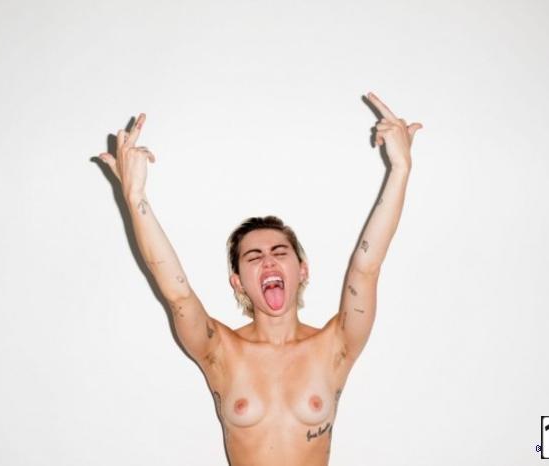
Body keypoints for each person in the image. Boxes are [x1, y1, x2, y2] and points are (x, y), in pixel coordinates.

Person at [97, 92, 421, 466]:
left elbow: (366, 268)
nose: (268, 262)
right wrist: (135, 196)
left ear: (302, 269)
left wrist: (400, 170)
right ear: (238, 281)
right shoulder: (220, 351)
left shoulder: (335, 345)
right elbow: (177, 293)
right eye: (253, 257)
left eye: (280, 253)